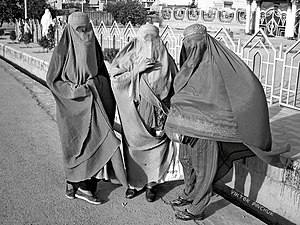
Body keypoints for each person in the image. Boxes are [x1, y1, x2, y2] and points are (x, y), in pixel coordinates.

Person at [164, 23, 291, 221]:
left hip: (208, 129)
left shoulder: (217, 65)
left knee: (203, 168)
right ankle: (188, 194)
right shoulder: (189, 67)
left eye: (195, 43)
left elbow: (237, 91)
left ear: (205, 41)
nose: (192, 47)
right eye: (188, 43)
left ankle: (197, 207)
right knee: (186, 161)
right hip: (188, 127)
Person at [46, 12, 127, 205]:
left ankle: (84, 186)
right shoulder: (61, 52)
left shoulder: (95, 48)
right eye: (79, 30)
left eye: (87, 29)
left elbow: (102, 75)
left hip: (95, 103)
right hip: (72, 109)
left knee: (94, 143)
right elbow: (53, 80)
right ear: (70, 31)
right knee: (75, 146)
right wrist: (76, 91)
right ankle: (75, 183)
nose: (85, 35)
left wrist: (95, 85)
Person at [109, 23, 179, 202]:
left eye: (153, 39)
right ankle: (134, 183)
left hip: (160, 113)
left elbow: (176, 86)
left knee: (157, 148)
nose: (149, 44)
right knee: (134, 147)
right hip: (135, 112)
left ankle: (152, 185)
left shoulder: (167, 60)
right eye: (145, 39)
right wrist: (136, 71)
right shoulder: (130, 56)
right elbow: (116, 80)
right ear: (138, 39)